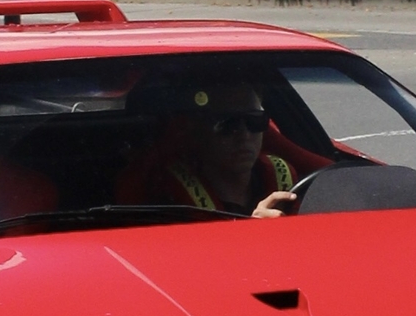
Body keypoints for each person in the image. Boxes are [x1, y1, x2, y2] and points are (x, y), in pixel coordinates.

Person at [118, 79, 304, 217]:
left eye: (254, 121)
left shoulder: (286, 178)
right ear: (196, 131)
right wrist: (252, 230)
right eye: (227, 124)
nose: (244, 135)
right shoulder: (165, 198)